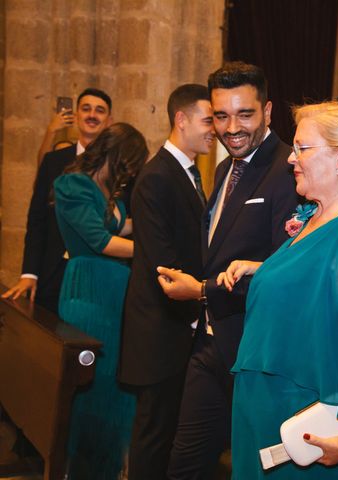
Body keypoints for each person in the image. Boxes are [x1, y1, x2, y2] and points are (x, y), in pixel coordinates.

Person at [160, 56, 338, 479]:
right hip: (270, 411)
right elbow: (316, 287)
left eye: (302, 148)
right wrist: (260, 270)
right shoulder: (318, 218)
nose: (291, 158)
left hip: (309, 425)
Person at [156, 62, 298, 478]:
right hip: (211, 343)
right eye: (221, 115)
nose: (231, 127)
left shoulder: (290, 169)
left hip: (255, 351)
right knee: (184, 464)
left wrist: (201, 291)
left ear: (268, 112)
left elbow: (280, 271)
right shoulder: (223, 168)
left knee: (256, 467)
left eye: (245, 114)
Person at [118, 84, 213, 480]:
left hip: (178, 325)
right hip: (162, 328)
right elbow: (163, 265)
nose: (216, 129)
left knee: (169, 432)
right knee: (154, 435)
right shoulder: (158, 175)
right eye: (209, 120)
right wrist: (201, 307)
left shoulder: (187, 172)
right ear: (182, 119)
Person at [53, 122, 148, 479]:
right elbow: (100, 241)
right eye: (135, 162)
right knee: (91, 385)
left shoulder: (112, 194)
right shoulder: (72, 184)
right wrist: (151, 253)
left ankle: (106, 469)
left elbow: (123, 227)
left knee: (116, 384)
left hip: (116, 293)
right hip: (88, 291)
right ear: (121, 155)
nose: (135, 171)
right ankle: (78, 470)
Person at [3, 88, 113, 313]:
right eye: (86, 109)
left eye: (99, 111)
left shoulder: (117, 166)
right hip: (53, 272)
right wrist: (29, 273)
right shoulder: (53, 161)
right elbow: (37, 220)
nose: (92, 115)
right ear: (77, 116)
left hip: (99, 273)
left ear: (109, 121)